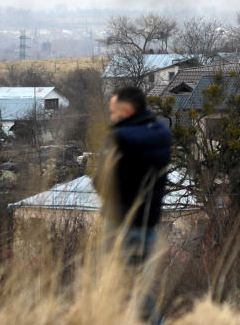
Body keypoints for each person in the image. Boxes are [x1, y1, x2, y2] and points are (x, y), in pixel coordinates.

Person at [94, 86, 172, 322]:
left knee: (117, 290)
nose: (111, 117)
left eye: (113, 112)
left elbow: (101, 183)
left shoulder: (119, 138)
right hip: (148, 226)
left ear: (126, 110)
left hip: (121, 224)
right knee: (138, 291)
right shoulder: (161, 132)